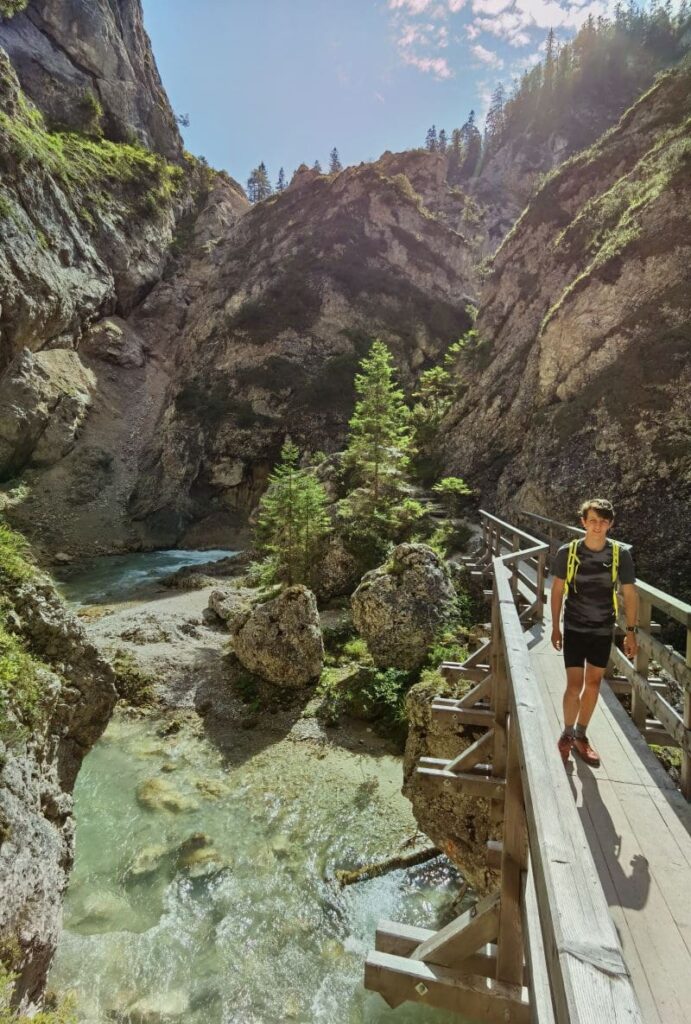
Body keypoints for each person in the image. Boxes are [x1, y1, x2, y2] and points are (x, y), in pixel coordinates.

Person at [551, 497, 638, 766]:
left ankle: (581, 735)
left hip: (602, 628)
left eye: (602, 521)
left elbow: (629, 592)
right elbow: (556, 589)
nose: (597, 526)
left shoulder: (619, 554)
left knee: (593, 685)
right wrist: (555, 626)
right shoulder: (568, 551)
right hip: (574, 626)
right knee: (574, 685)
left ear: (610, 524)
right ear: (583, 522)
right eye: (592, 521)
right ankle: (567, 733)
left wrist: (631, 631)